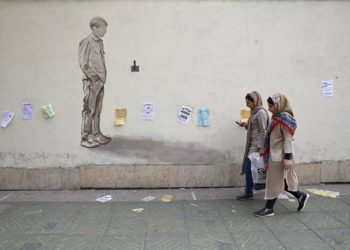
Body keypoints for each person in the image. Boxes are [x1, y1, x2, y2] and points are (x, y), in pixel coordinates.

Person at [254, 93, 309, 217]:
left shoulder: (285, 119)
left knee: (273, 182)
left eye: (271, 106)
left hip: (281, 156)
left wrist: (288, 158)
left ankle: (269, 209)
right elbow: (272, 137)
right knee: (281, 182)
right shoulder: (276, 117)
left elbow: (288, 140)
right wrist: (264, 148)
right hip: (276, 155)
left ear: (279, 105)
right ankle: (301, 196)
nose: (269, 109)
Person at [78, 17, 112, 148]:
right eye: (103, 28)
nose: (105, 31)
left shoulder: (99, 42)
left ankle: (96, 134)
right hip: (91, 81)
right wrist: (93, 78)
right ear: (94, 28)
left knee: (97, 109)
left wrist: (100, 79)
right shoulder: (86, 42)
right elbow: (83, 63)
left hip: (100, 81)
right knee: (88, 109)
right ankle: (86, 138)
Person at [236, 91, 269, 200]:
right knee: (249, 168)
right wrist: (245, 125)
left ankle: (249, 192)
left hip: (256, 146)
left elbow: (263, 131)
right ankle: (250, 191)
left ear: (255, 101)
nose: (246, 104)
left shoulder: (260, 113)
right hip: (252, 144)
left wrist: (261, 147)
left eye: (248, 102)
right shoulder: (254, 112)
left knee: (249, 167)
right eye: (246, 102)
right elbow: (254, 127)